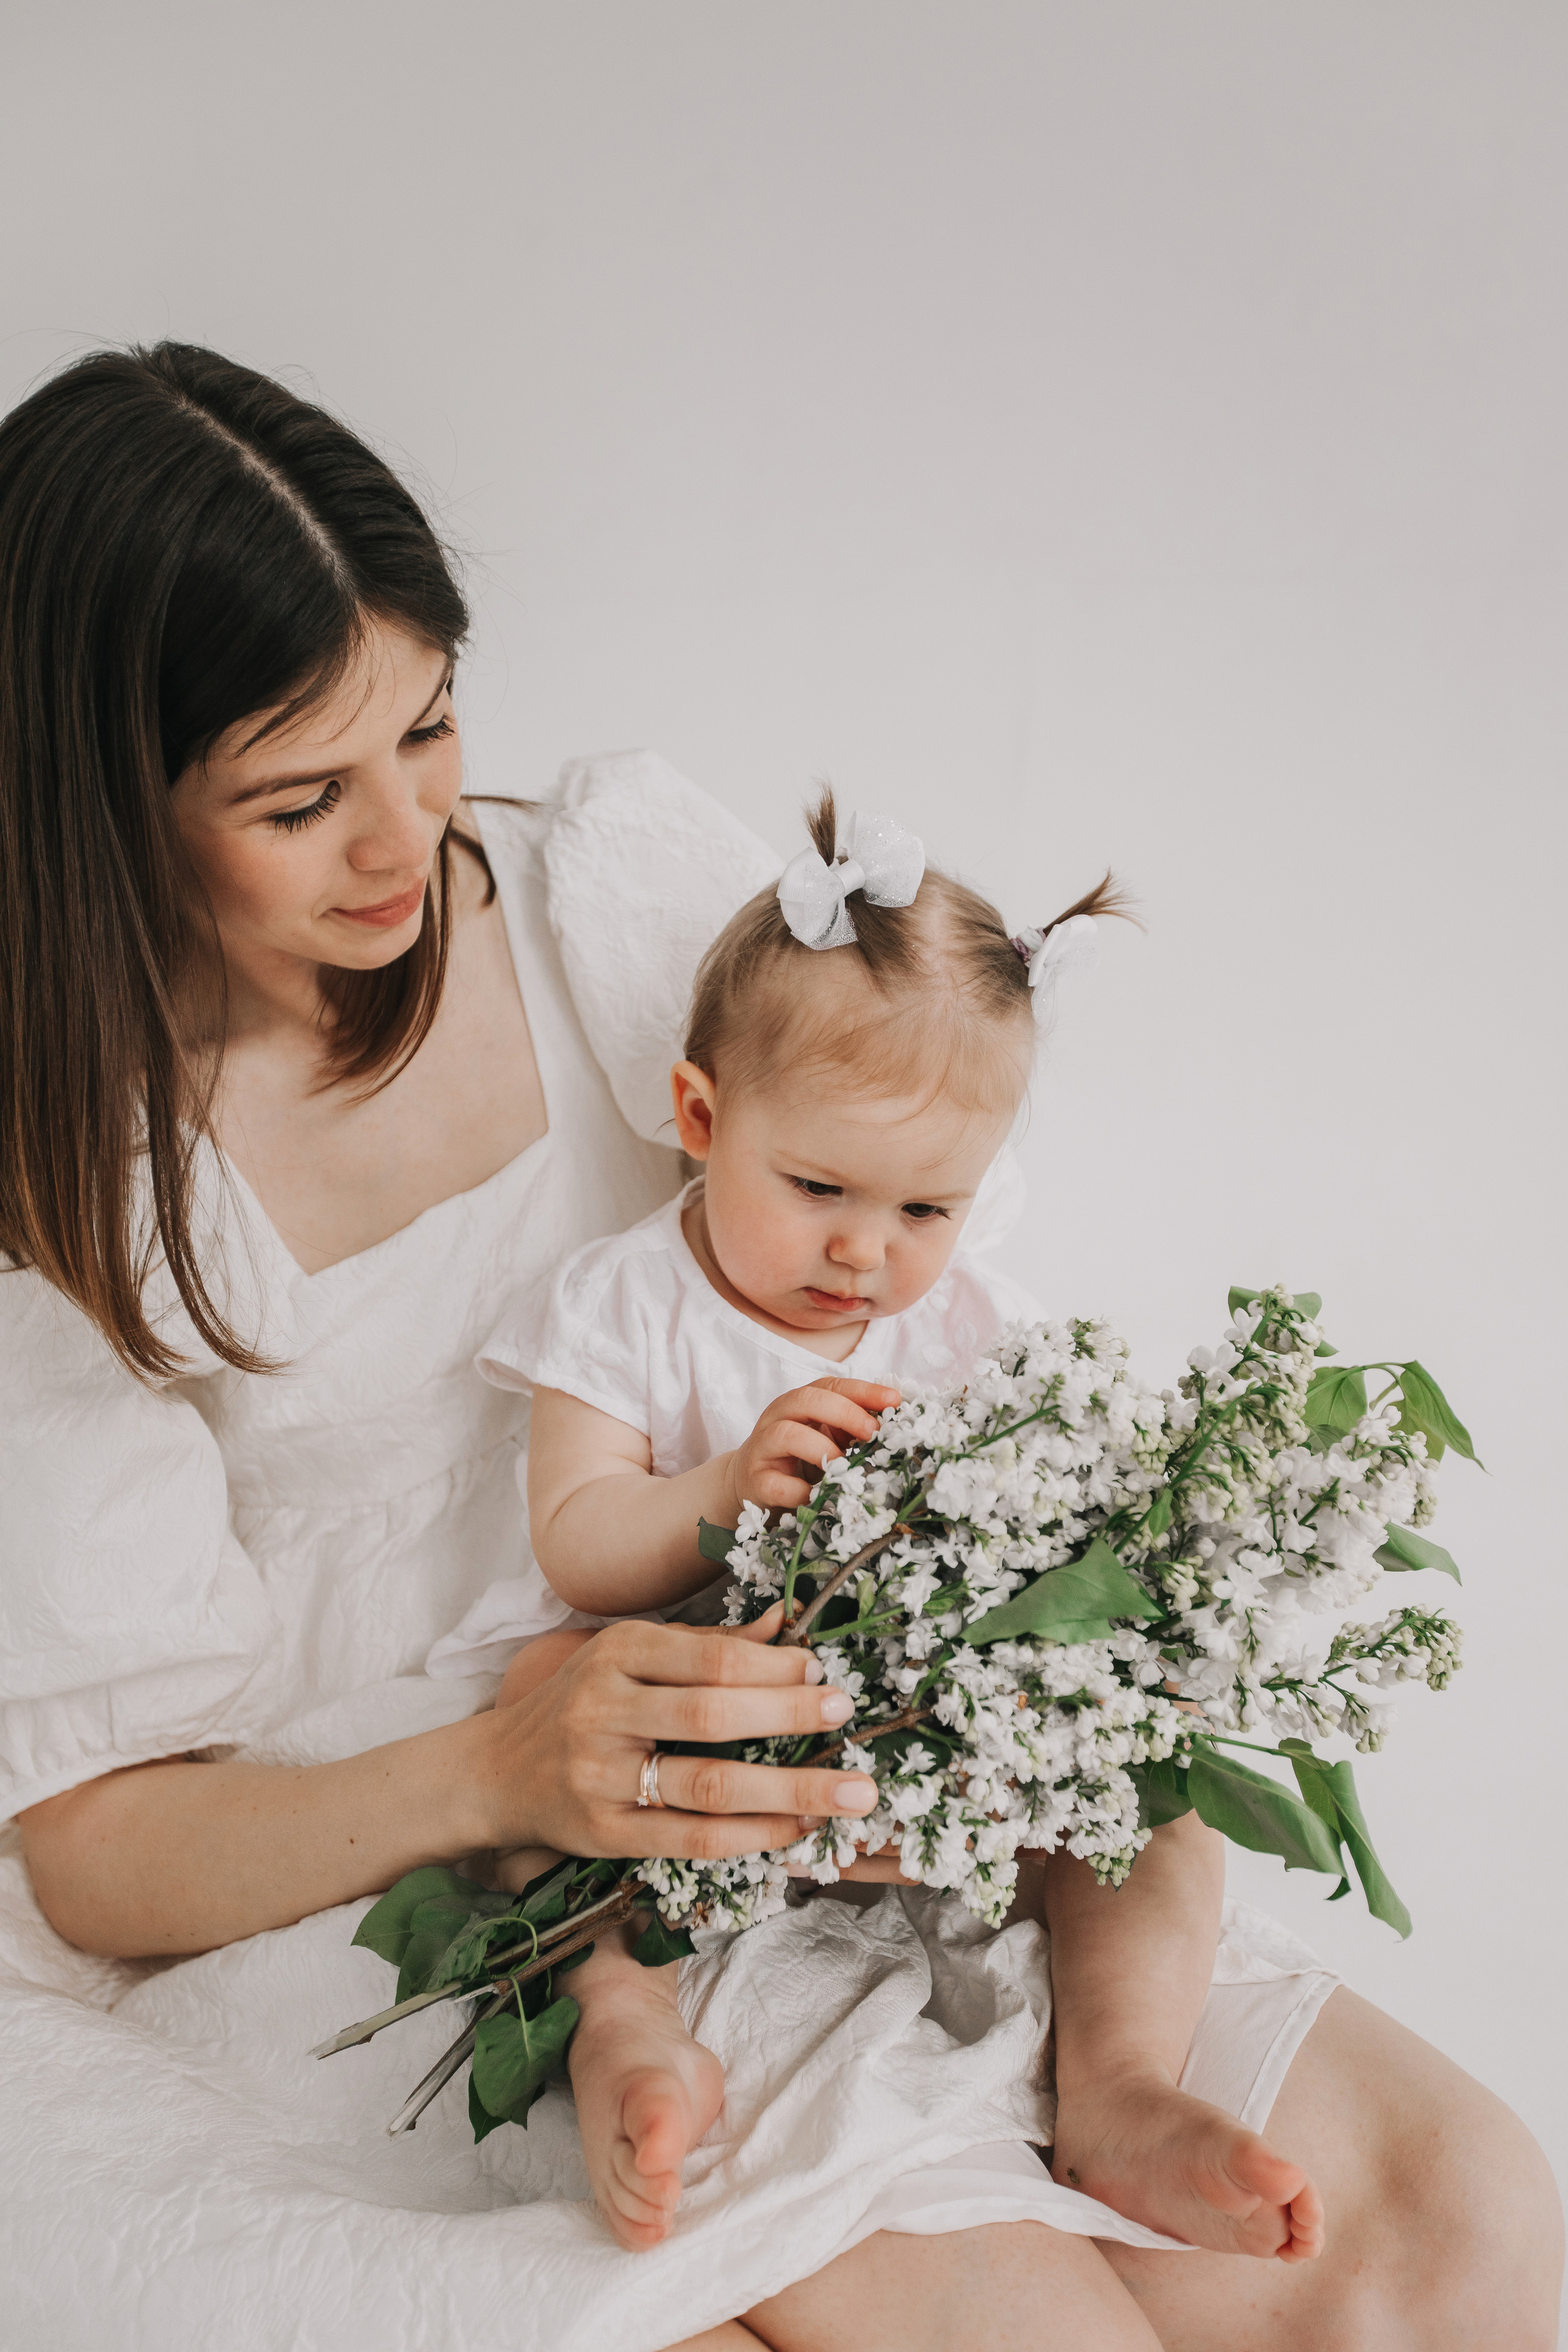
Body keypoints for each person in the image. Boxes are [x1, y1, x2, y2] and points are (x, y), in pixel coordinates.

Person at [0, 342, 1557, 2352]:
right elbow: (96, 1856)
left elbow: (903, 1192)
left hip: (816, 1720)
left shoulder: (592, 894)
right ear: (105, 808)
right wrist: (507, 1766)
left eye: (432, 725)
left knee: (1461, 2225)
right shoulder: (73, 1192)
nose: (406, 841)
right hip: (411, 1838)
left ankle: (1112, 2086)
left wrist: (1017, 1589)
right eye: (302, 799)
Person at [454, 791, 1319, 2265]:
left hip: (909, 1740)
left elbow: (1063, 1541)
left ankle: (1116, 2081)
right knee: (532, 1721)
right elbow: (577, 1544)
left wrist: (1110, 1631)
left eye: (927, 1207)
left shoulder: (978, 1330)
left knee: (1153, 1794)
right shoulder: (625, 1303)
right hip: (695, 1729)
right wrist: (718, 1489)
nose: (866, 1250)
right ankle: (625, 2020)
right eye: (817, 1189)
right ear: (700, 1117)